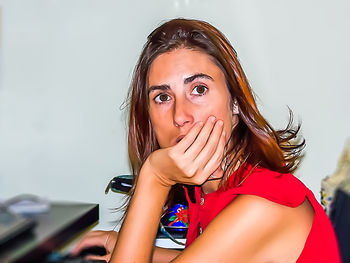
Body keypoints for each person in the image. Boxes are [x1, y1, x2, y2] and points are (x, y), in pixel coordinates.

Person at [72, 18, 340, 262]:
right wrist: (118, 243)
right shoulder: (211, 190)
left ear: (235, 103)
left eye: (199, 90)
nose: (180, 116)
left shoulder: (263, 206)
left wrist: (155, 177)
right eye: (163, 97)